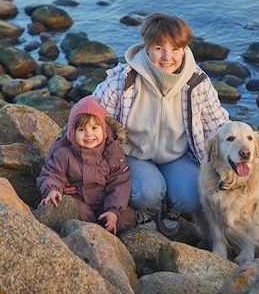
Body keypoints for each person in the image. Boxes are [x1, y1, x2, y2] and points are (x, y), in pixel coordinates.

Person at [92, 12, 230, 236]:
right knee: (146, 192)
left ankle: (171, 207)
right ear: (147, 47)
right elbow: (91, 114)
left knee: (195, 195)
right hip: (133, 155)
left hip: (177, 156)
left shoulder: (197, 82)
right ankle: (142, 209)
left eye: (175, 49)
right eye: (159, 48)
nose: (167, 57)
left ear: (184, 49)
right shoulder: (124, 79)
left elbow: (218, 125)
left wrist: (240, 153)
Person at [36, 95, 136, 235]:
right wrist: (52, 189)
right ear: (72, 133)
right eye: (82, 130)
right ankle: (87, 232)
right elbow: (52, 173)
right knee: (67, 209)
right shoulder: (64, 153)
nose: (89, 134)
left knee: (126, 218)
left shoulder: (113, 152)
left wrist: (113, 210)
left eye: (94, 128)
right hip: (80, 200)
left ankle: (107, 227)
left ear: (103, 129)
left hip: (104, 201)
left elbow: (119, 183)